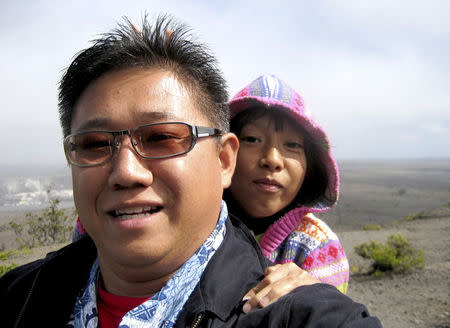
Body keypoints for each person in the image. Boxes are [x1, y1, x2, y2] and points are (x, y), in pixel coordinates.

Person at [0, 15, 382, 327]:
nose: (125, 172)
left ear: (222, 160)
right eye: (96, 144)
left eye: (163, 136)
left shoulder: (304, 303)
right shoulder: (20, 296)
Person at [224, 74, 350, 306]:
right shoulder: (202, 227)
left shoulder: (316, 247)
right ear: (223, 154)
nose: (272, 160)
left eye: (292, 145)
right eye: (252, 139)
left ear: (310, 168)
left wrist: (312, 296)